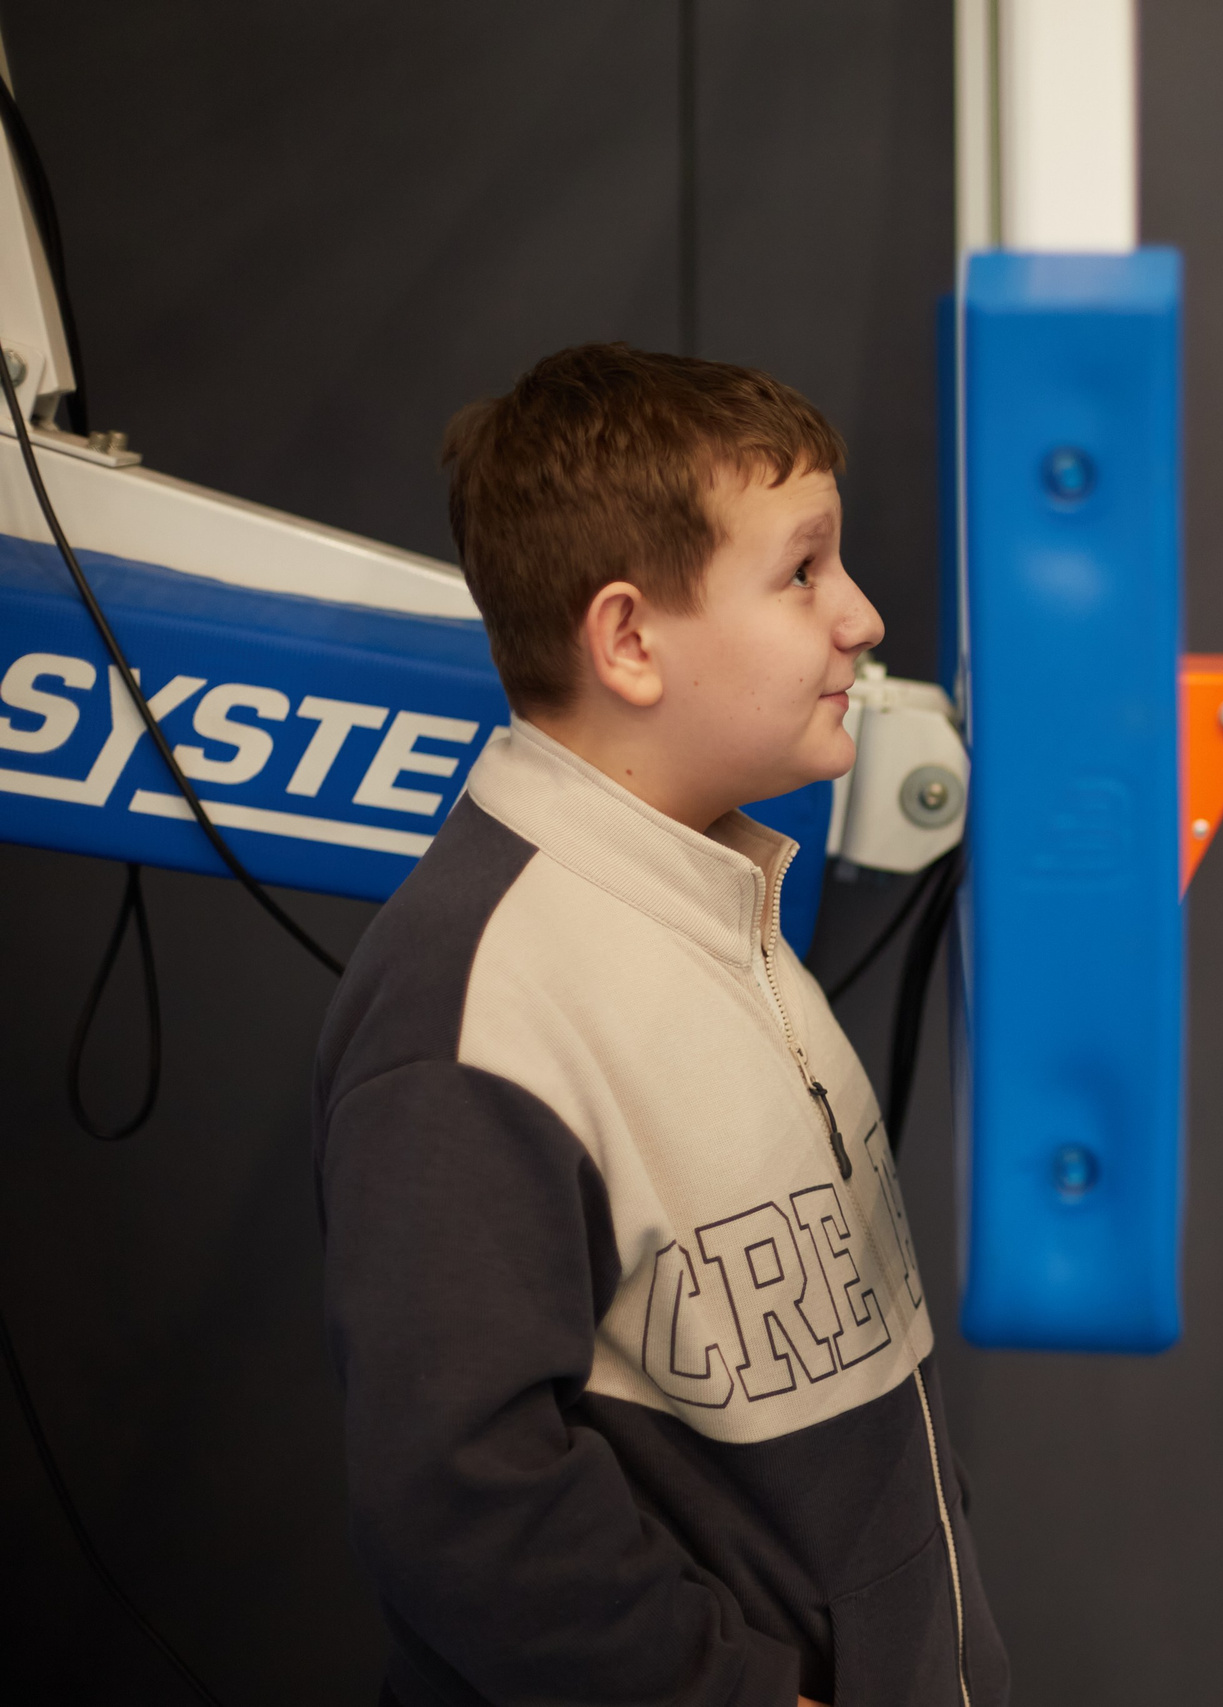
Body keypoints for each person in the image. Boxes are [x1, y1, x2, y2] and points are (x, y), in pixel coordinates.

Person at [313, 344, 1005, 1707]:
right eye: (803, 571)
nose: (860, 617)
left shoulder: (730, 913)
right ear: (629, 641)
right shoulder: (479, 999)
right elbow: (463, 1500)